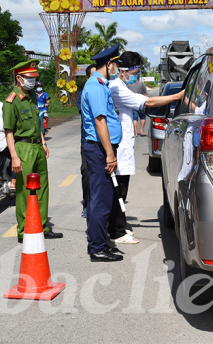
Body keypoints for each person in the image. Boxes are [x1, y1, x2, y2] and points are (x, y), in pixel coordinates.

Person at [108, 51, 185, 244]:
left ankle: (119, 226)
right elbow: (148, 102)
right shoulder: (117, 88)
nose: (136, 74)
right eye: (135, 70)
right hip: (119, 146)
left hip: (123, 144)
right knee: (118, 190)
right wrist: (177, 96)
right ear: (124, 70)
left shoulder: (122, 85)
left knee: (121, 189)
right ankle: (116, 232)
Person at [3, 60, 63, 243]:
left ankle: (42, 226)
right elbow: (8, 131)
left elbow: (37, 123)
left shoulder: (32, 97)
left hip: (37, 146)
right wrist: (14, 156)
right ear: (19, 78)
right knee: (23, 191)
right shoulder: (11, 101)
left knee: (43, 188)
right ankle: (23, 231)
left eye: (35, 78)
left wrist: (43, 143)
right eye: (30, 78)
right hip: (23, 148)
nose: (34, 82)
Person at [80, 45, 124, 262]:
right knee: (100, 200)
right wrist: (109, 154)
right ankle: (97, 247)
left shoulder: (98, 84)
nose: (116, 69)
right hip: (99, 150)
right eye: (115, 65)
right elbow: (100, 121)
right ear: (108, 64)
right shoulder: (96, 87)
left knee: (101, 198)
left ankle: (99, 242)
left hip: (100, 148)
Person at [76, 64, 96, 218]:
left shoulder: (105, 90)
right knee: (86, 173)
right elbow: (87, 112)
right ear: (88, 78)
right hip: (88, 141)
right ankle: (87, 204)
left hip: (105, 142)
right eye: (93, 76)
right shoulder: (82, 94)